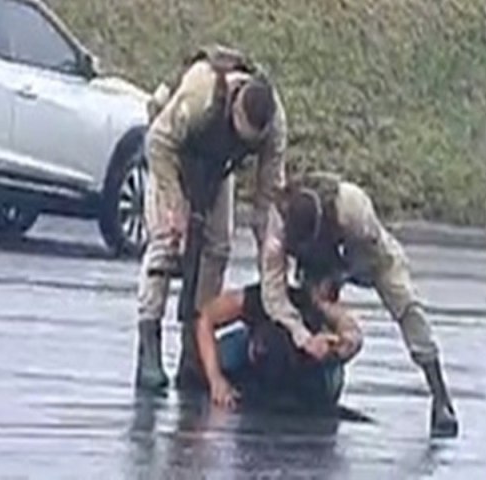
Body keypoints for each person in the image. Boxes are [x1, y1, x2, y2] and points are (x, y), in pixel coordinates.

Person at [260, 171, 459, 437]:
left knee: (407, 306)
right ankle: (311, 381)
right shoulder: (278, 224)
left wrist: (335, 279)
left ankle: (440, 396)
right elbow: (272, 293)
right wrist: (303, 335)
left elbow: (370, 256)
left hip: (369, 255)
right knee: (308, 308)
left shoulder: (352, 207)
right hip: (318, 266)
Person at [136, 45, 287, 390]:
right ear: (234, 106)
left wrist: (271, 257)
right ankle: (149, 347)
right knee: (166, 244)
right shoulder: (200, 95)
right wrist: (176, 206)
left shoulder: (275, 122)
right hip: (171, 154)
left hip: (217, 169)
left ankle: (195, 350)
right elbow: (157, 142)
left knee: (218, 248)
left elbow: (270, 198)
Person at [196, 274, 363, 409]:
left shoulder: (319, 311)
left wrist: (336, 346)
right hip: (252, 348)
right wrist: (215, 379)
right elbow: (206, 318)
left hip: (310, 369)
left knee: (326, 382)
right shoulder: (258, 299)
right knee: (224, 355)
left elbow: (352, 333)